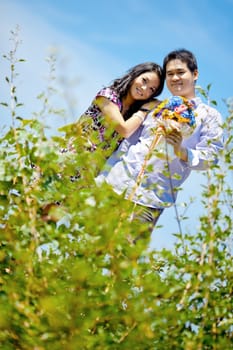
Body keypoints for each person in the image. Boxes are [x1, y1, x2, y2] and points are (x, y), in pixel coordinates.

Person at [96, 48, 224, 240]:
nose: (175, 78)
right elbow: (127, 143)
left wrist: (181, 150)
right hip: (115, 184)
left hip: (151, 200)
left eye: (180, 72)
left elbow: (211, 157)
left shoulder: (209, 116)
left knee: (125, 260)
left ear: (195, 74)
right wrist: (102, 176)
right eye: (170, 74)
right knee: (90, 248)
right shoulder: (153, 106)